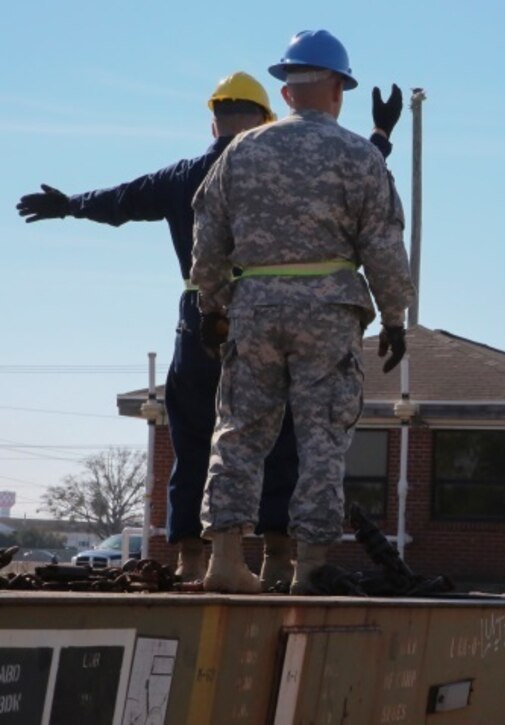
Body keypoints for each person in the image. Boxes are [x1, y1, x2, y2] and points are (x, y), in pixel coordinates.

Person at [14, 70, 403, 589]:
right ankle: (279, 559)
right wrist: (380, 137)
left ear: (212, 117)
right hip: (272, 311)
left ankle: (195, 562)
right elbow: (342, 175)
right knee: (287, 438)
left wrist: (69, 205)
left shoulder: (185, 175)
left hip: (202, 316)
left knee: (202, 439)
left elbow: (122, 201)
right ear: (269, 117)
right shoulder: (268, 160)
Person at [190, 29, 415, 594]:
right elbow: (385, 245)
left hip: (254, 309)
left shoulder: (243, 151)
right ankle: (308, 568)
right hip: (328, 313)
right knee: (322, 439)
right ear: (338, 90)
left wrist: (213, 304)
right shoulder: (360, 156)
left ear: (286, 93)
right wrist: (394, 318)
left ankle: (224, 563)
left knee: (238, 431)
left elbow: (208, 235)